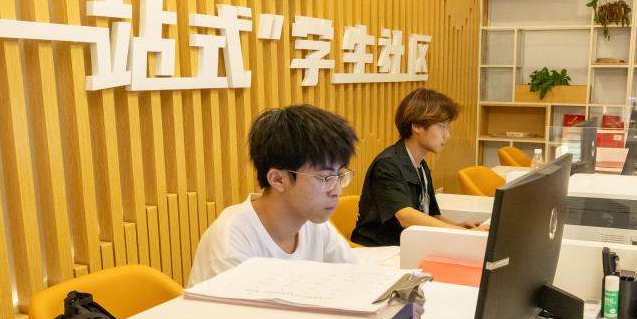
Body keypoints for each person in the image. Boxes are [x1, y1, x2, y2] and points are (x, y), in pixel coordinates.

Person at [187, 105, 358, 286]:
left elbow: (354, 277)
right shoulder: (232, 239)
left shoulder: (313, 222)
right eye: (325, 178)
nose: (337, 191)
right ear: (278, 179)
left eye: (340, 176)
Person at [352, 89, 484, 247]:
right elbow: (406, 216)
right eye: (441, 126)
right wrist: (463, 234)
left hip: (408, 245)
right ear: (417, 126)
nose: (447, 134)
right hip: (377, 250)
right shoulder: (387, 165)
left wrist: (458, 226)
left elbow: (430, 215)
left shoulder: (420, 164)